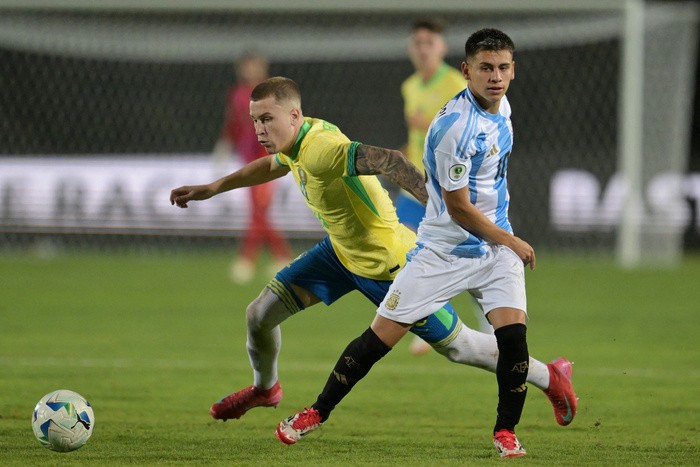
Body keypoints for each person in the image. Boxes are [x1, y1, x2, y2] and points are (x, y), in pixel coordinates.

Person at [169, 77, 576, 439]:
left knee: (460, 347)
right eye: (255, 120)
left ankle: (549, 376)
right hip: (340, 255)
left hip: (389, 263)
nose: (259, 129)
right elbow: (274, 165)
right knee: (259, 314)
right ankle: (266, 389)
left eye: (267, 119)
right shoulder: (296, 141)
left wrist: (438, 206)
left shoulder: (323, 149)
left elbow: (392, 161)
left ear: (294, 115)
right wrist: (212, 187)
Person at [275, 30, 577, 459]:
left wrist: (502, 239)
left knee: (513, 342)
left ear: (513, 70)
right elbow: (457, 207)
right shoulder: (455, 127)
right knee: (378, 339)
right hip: (444, 250)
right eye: (486, 68)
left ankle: (505, 432)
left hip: (493, 249)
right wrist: (511, 239)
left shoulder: (502, 106)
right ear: (467, 71)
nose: (496, 77)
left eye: (503, 68)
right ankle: (316, 412)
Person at [399, 18, 491, 356]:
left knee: (469, 259)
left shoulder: (455, 83)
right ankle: (424, 320)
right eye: (418, 42)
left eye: (429, 42)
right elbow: (415, 139)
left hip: (451, 188)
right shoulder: (409, 87)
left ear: (442, 47)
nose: (423, 48)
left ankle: (492, 329)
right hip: (416, 186)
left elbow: (474, 129)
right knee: (404, 252)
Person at [213, 53, 292, 283]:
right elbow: (233, 124)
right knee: (258, 208)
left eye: (255, 66)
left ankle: (249, 258)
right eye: (247, 67)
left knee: (259, 208)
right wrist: (224, 146)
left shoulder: (274, 92)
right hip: (246, 156)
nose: (251, 70)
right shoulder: (237, 94)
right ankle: (280, 257)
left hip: (267, 157)